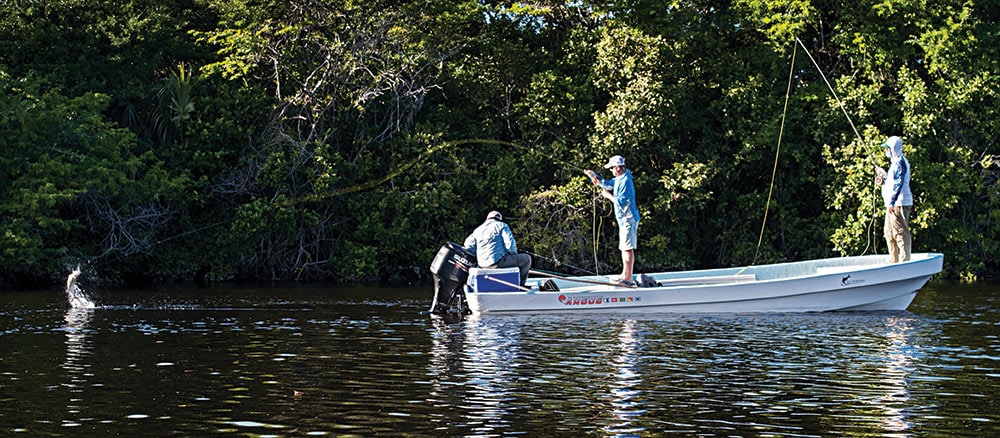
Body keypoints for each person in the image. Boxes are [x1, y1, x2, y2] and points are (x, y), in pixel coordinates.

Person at [585, 155, 640, 286]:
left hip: (628, 218)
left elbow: (620, 202)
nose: (611, 171)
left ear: (618, 167)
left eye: (611, 168)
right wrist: (593, 176)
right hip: (624, 219)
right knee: (624, 247)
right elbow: (608, 184)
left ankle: (628, 279)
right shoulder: (620, 178)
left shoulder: (626, 181)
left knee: (628, 248)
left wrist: (607, 195)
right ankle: (624, 274)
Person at [463, 210, 532, 286]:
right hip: (497, 263)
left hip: (482, 265)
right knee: (527, 259)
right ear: (499, 219)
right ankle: (521, 286)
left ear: (487, 219)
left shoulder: (477, 230)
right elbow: (510, 244)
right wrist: (513, 255)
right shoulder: (502, 225)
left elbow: (468, 246)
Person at [875, 135, 913, 263]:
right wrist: (883, 177)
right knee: (889, 232)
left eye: (887, 148)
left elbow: (899, 184)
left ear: (893, 149)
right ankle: (893, 260)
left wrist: (892, 202)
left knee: (900, 233)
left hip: (899, 203)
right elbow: (892, 182)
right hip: (892, 204)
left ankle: (904, 261)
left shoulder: (900, 162)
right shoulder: (895, 163)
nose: (885, 151)